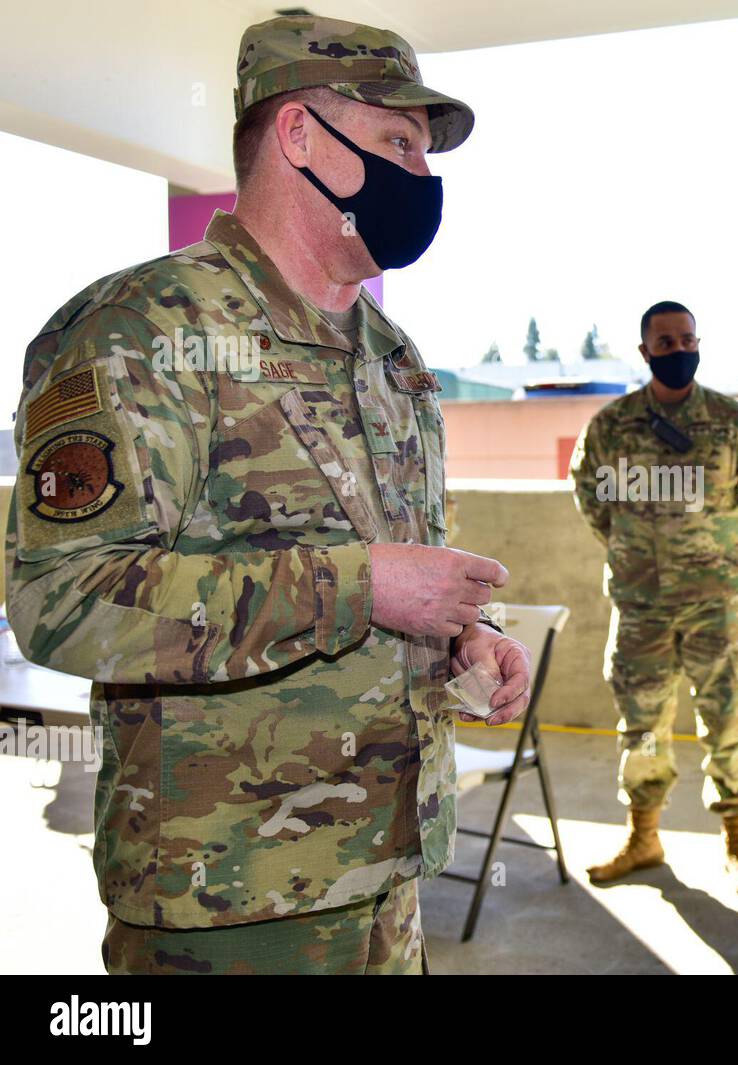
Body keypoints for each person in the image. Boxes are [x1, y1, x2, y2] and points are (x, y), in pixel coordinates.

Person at [4, 15, 534, 975]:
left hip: (390, 879)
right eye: (398, 143)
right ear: (299, 138)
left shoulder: (393, 358)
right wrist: (355, 588)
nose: (422, 177)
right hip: (228, 903)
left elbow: (392, 562)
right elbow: (62, 601)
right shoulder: (143, 329)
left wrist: (465, 633)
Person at [571, 302, 738, 895]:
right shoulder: (611, 427)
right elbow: (590, 498)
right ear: (645, 351)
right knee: (640, 725)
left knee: (729, 721)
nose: (677, 349)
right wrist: (635, 552)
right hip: (641, 606)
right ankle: (644, 837)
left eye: (686, 338)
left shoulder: (733, 422)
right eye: (665, 342)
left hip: (718, 604)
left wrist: (718, 550)